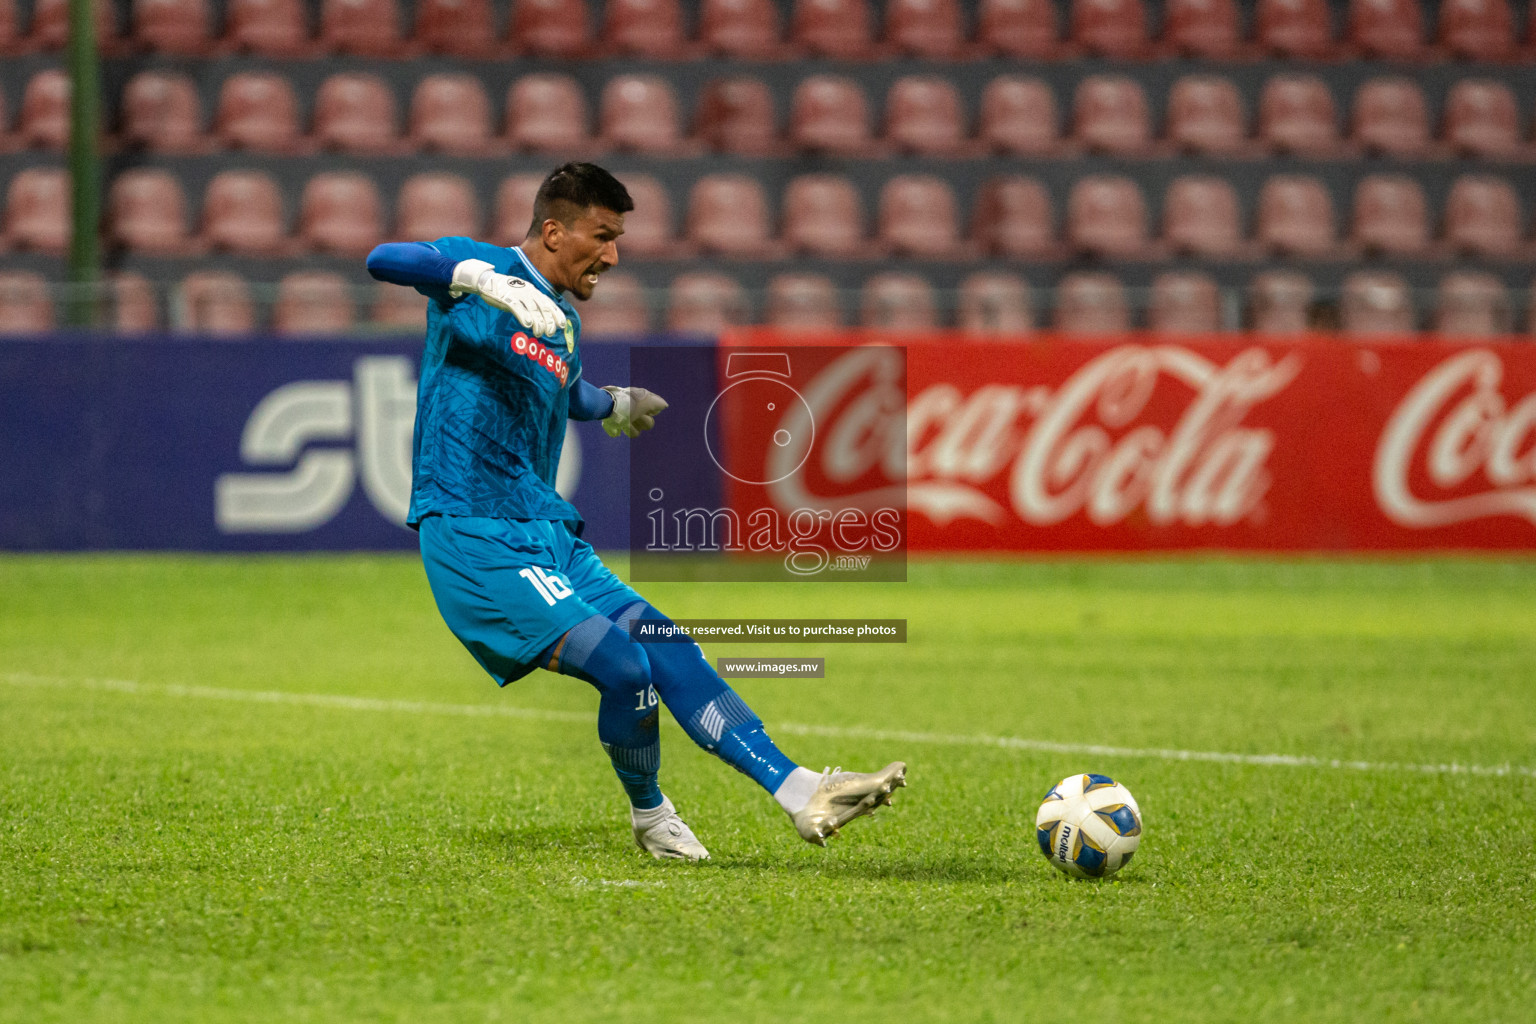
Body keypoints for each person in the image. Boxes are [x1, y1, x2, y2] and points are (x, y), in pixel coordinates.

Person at [366, 162, 905, 860]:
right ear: (554, 230)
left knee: (667, 646)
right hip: (474, 531)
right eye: (603, 236)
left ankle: (801, 790)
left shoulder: (562, 319)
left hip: (547, 530)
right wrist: (479, 280)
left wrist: (613, 404)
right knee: (623, 666)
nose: (614, 255)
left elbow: (564, 387)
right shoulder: (475, 272)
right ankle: (652, 817)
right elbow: (383, 260)